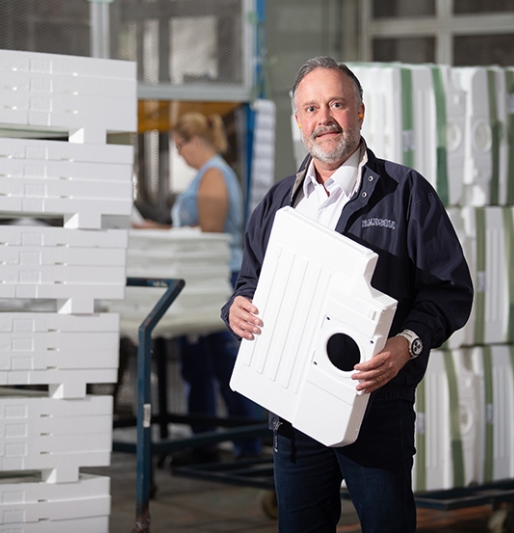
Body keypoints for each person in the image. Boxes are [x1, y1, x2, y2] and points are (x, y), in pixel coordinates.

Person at [221, 57, 473, 532]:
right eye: (311, 108)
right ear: (298, 121)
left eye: (337, 103)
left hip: (375, 405)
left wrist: (407, 345)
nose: (325, 118)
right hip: (292, 409)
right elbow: (249, 283)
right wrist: (235, 309)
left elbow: (450, 292)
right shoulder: (279, 204)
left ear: (360, 111)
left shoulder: (406, 193)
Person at [137, 112, 262, 463]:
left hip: (219, 278)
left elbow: (208, 232)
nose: (179, 155)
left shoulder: (213, 177)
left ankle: (248, 446)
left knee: (225, 365)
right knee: (197, 365)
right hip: (199, 282)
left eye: (179, 146)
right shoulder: (205, 177)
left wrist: (152, 231)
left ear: (196, 141)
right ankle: (204, 442)